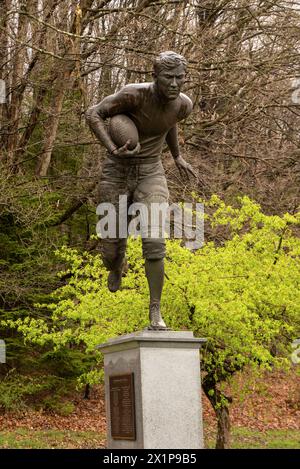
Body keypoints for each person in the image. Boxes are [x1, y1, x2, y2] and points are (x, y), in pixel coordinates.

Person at [85, 51, 195, 330]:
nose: (174, 83)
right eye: (168, 77)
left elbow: (169, 125)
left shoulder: (183, 105)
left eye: (180, 78)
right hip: (117, 171)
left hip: (151, 172)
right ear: (154, 76)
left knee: (155, 241)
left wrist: (177, 156)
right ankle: (115, 262)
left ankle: (155, 310)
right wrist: (112, 148)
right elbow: (93, 114)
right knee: (110, 248)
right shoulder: (132, 95)